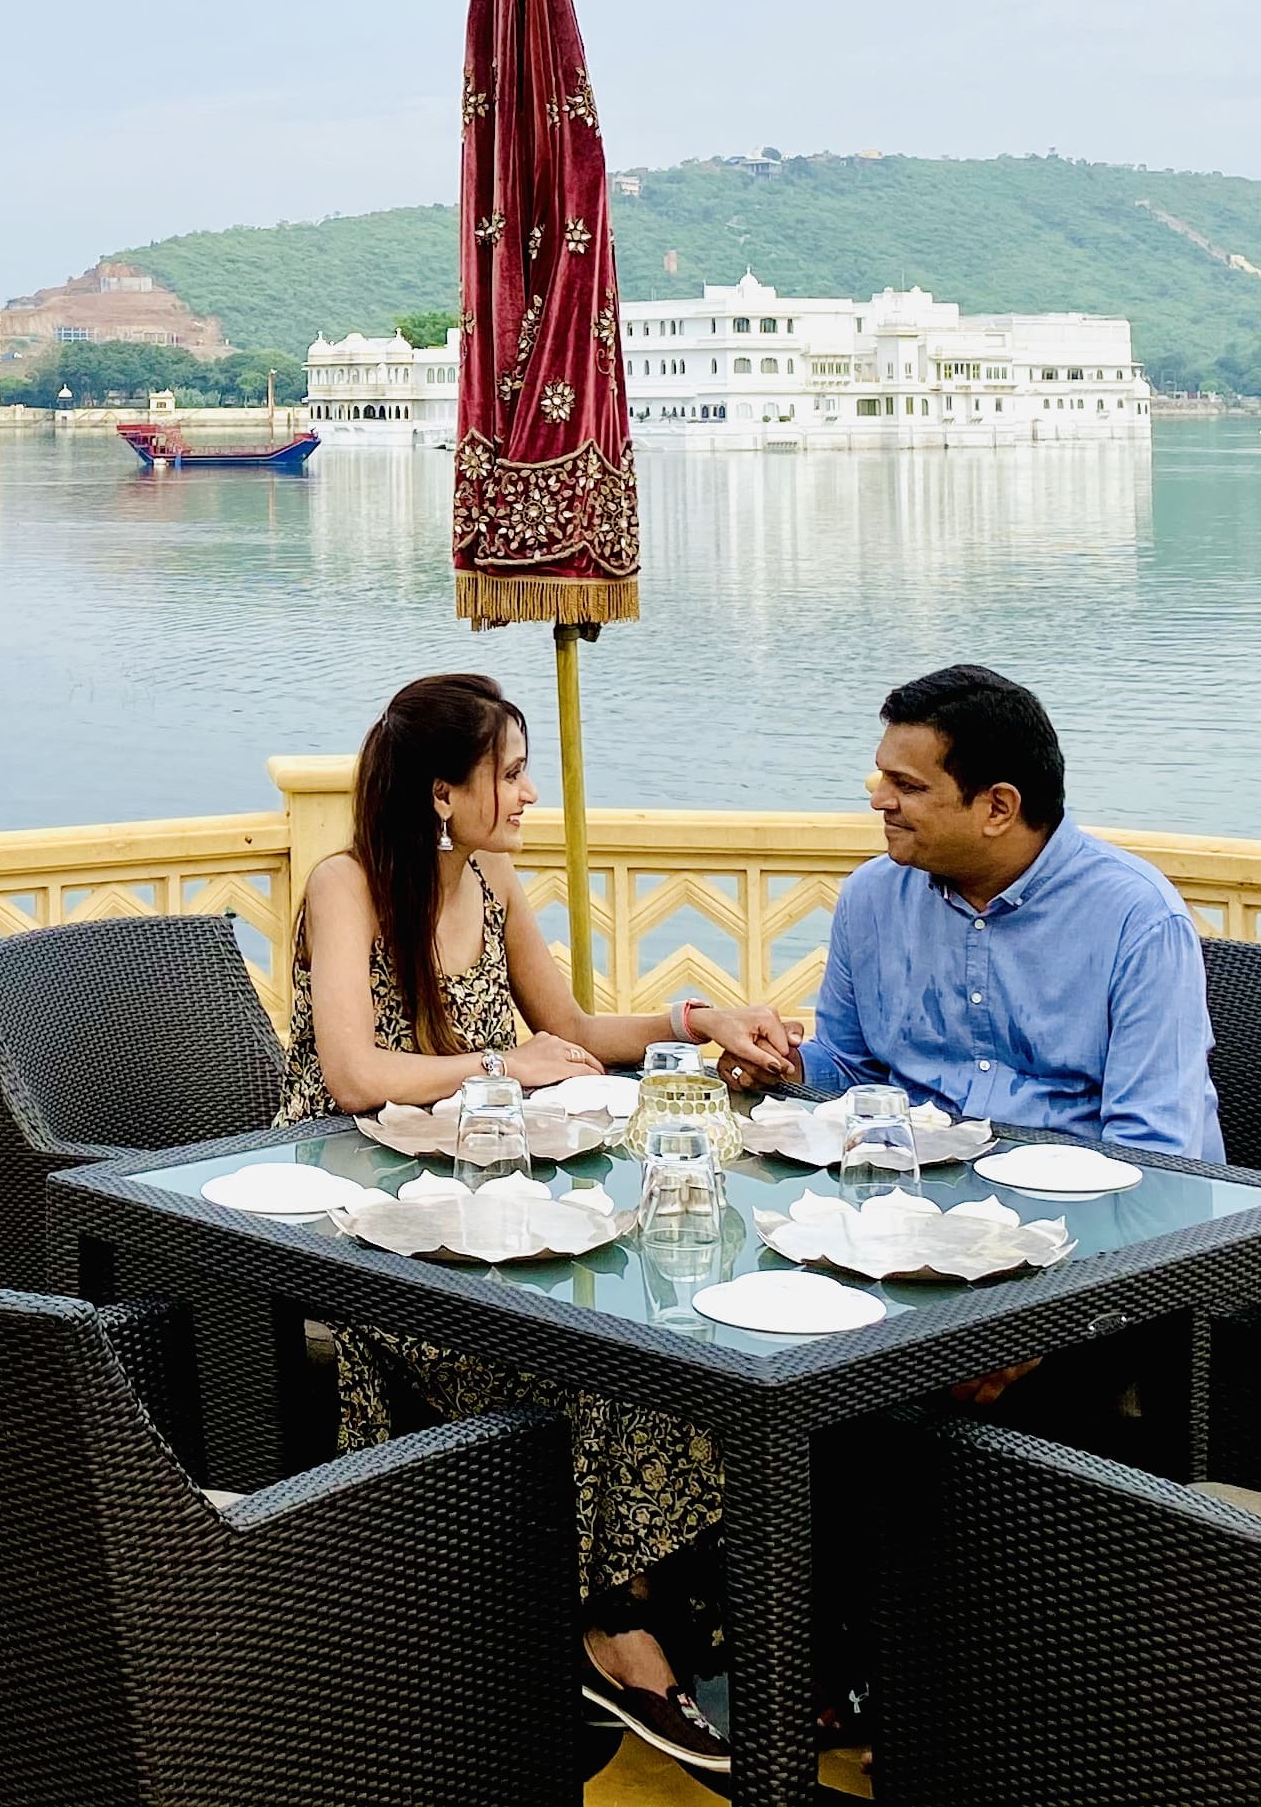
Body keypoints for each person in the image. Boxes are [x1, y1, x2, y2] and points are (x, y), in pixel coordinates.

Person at [280, 670, 798, 1774]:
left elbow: (570, 1025)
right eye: (507, 775)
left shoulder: (495, 880)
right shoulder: (348, 885)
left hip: (473, 1190)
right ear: (439, 793)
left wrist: (702, 1017)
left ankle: (621, 1617)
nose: (524, 798)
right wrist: (498, 1064)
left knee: (655, 1326)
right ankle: (613, 1627)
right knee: (591, 1358)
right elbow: (353, 1072)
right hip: (347, 1209)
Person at [724, 662, 1221, 1159]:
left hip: (1088, 1201)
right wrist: (782, 1064)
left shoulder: (1138, 920)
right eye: (881, 778)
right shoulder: (872, 896)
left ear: (998, 808)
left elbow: (1153, 1149)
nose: (879, 800)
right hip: (913, 1191)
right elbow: (855, 1069)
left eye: (907, 786)